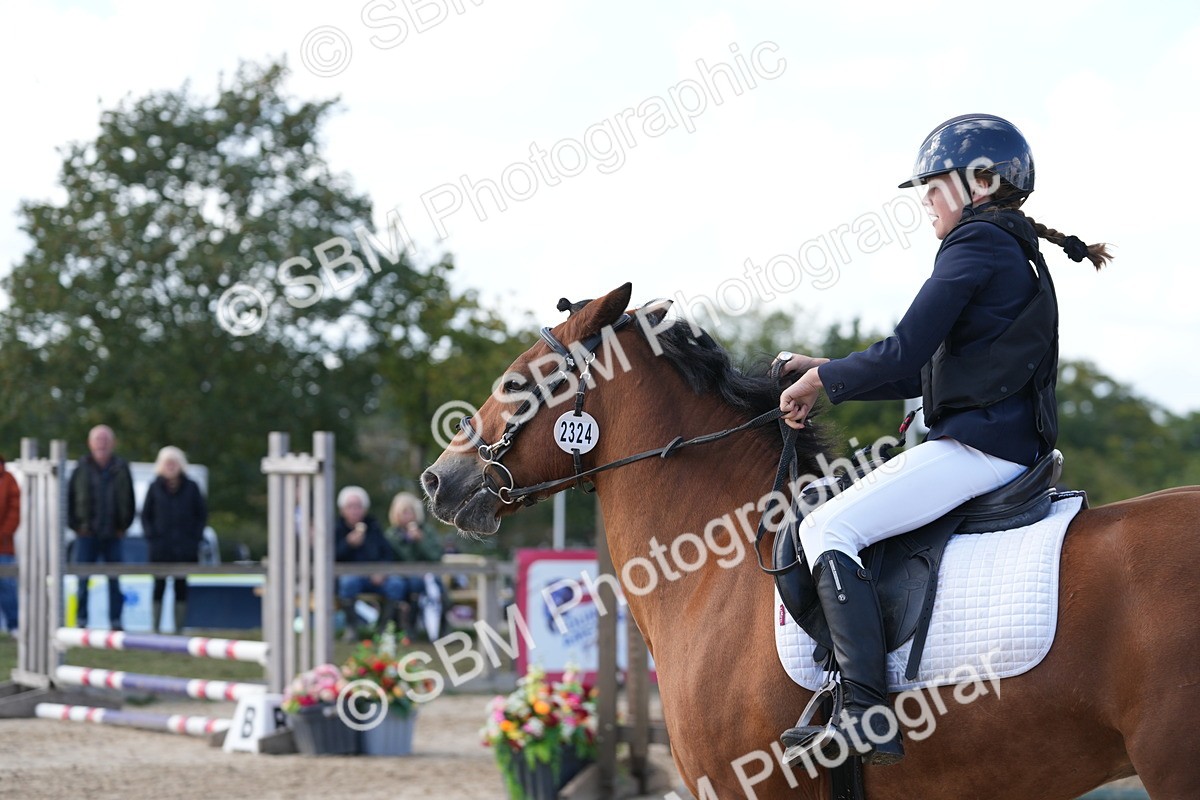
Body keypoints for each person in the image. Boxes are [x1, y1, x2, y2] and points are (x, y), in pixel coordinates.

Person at [776, 114, 1112, 766]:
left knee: (825, 530)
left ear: (980, 181)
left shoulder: (975, 244)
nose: (924, 201)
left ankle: (863, 712)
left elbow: (903, 349)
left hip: (980, 449)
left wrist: (820, 379)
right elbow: (909, 369)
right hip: (1004, 446)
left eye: (932, 187)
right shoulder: (1012, 250)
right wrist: (819, 370)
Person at [68, 425, 135, 630]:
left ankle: (115, 622)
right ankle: (81, 621)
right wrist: (76, 527)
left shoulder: (121, 468)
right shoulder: (81, 468)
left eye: (105, 439)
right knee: (82, 581)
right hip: (86, 534)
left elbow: (130, 500)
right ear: (90, 443)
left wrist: (123, 526)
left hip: (113, 535)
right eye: (98, 439)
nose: (102, 443)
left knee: (115, 581)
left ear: (113, 443)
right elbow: (69, 500)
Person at [141, 446, 207, 633]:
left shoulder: (192, 487)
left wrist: (194, 539)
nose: (170, 466)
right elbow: (146, 516)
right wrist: (153, 538)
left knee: (181, 587)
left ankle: (179, 629)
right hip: (160, 548)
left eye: (174, 462)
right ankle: (155, 629)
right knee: (158, 586)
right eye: (167, 462)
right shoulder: (154, 487)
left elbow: (201, 516)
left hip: (185, 548)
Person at [334, 486, 406, 639]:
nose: (355, 510)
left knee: (396, 584)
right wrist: (348, 544)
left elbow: (387, 553)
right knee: (348, 583)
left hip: (375, 575)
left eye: (358, 506)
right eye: (350, 507)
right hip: (349, 575)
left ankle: (383, 629)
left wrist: (382, 572)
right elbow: (331, 557)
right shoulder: (336, 528)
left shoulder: (373, 526)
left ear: (364, 509)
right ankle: (351, 628)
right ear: (342, 510)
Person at [384, 491, 445, 638]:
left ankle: (439, 628)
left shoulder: (427, 532)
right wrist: (407, 542)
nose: (407, 516)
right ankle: (395, 627)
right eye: (403, 512)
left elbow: (436, 556)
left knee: (432, 586)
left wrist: (420, 541)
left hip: (426, 575)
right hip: (400, 576)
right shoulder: (391, 535)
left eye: (410, 512)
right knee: (398, 585)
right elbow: (400, 558)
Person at [0, 455, 20, 635]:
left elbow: (15, 511)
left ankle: (14, 625)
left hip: (3, 545)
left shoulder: (8, 479)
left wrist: (3, 534)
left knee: (6, 585)